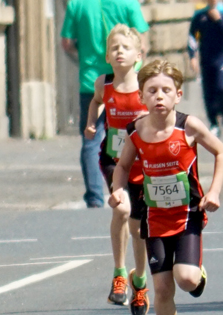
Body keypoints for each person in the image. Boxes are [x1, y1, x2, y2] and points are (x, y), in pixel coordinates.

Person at [108, 59, 223, 315]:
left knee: (186, 280)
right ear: (143, 97)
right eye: (152, 91)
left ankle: (197, 274)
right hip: (154, 217)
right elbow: (122, 167)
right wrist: (118, 190)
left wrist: (213, 192)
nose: (159, 96)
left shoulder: (188, 127)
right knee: (162, 288)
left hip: (187, 214)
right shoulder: (135, 131)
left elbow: (221, 152)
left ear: (178, 94)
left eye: (165, 90)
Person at [85, 24, 149, 315]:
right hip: (113, 159)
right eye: (114, 48)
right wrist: (91, 122)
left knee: (138, 227)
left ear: (139, 55)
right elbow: (96, 101)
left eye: (125, 47)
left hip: (144, 162)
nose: (119, 52)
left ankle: (140, 280)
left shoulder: (146, 87)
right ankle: (120, 273)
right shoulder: (103, 83)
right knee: (121, 211)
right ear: (108, 57)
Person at [60, 0, 149, 209]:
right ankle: (137, 185)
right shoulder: (128, 4)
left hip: (91, 79)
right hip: (126, 83)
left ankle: (95, 196)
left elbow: (66, 42)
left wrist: (82, 54)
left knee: (91, 140)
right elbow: (142, 42)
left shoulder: (77, 5)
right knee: (137, 134)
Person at [188, 0, 223, 136]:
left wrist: (219, 20)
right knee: (209, 91)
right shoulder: (199, 15)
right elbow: (192, 36)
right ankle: (213, 122)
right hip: (206, 59)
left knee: (222, 88)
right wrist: (192, 56)